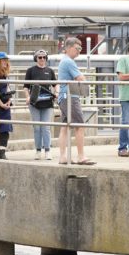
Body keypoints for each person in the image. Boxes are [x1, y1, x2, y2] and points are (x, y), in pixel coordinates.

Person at [57, 37, 94, 165]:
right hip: (70, 97)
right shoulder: (69, 62)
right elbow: (80, 78)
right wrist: (85, 79)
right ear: (69, 48)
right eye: (77, 48)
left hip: (63, 97)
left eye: (81, 49)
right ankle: (81, 156)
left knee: (64, 127)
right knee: (80, 125)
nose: (79, 51)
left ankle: (63, 156)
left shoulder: (64, 61)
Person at [23, 49, 57, 160]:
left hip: (47, 102)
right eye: (39, 57)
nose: (42, 59)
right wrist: (27, 97)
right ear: (36, 58)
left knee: (46, 127)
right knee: (37, 127)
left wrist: (56, 93)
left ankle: (47, 150)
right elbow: (25, 87)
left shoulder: (50, 71)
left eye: (44, 57)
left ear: (46, 58)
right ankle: (38, 150)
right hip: (34, 103)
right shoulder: (30, 71)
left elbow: (55, 84)